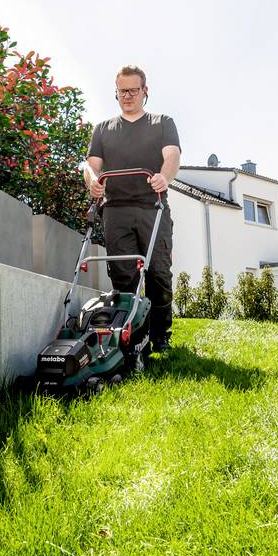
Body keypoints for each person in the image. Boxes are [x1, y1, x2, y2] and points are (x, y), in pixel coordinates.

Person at [83, 65, 181, 352]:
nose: (127, 96)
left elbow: (172, 155)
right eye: (122, 91)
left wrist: (166, 176)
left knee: (159, 274)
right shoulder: (103, 129)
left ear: (144, 92)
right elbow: (91, 166)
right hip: (116, 210)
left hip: (153, 207)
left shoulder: (162, 123)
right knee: (124, 275)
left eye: (133, 90)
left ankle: (161, 336)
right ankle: (132, 336)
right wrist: (93, 182)